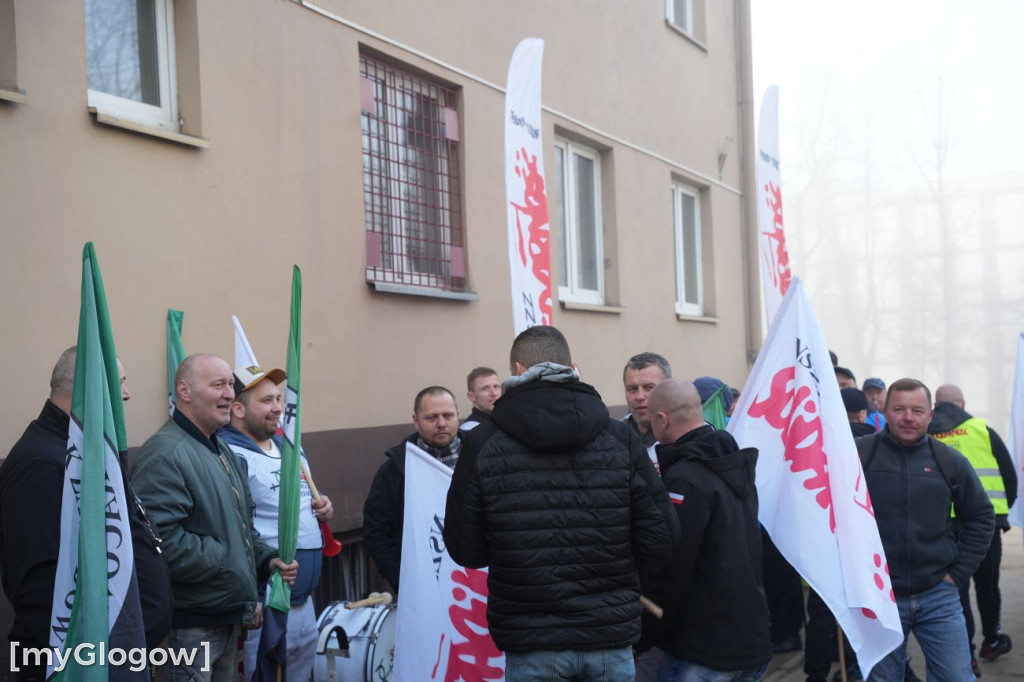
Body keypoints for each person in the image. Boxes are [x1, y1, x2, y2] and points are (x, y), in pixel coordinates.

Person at [444, 325, 678, 682]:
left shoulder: (483, 443)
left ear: (518, 371)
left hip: (533, 639)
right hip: (609, 635)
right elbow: (661, 538)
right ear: (571, 366)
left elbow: (466, 550)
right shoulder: (619, 438)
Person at [0, 347, 172, 681]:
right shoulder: (42, 465)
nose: (127, 394)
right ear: (90, 388)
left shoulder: (78, 450)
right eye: (119, 383)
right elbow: (42, 588)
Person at [132, 353, 297, 682]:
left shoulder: (220, 449)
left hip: (223, 617)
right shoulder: (165, 453)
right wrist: (229, 559)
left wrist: (266, 560)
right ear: (185, 391)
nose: (229, 394)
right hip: (188, 627)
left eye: (231, 386)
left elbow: (241, 526)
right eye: (218, 385)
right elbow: (158, 543)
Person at [856, 378, 995, 681]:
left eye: (917, 410)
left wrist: (957, 574)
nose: (908, 417)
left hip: (938, 595)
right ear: (884, 411)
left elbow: (982, 516)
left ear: (930, 415)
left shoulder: (949, 460)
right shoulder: (858, 456)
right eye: (900, 409)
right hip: (879, 599)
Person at [642, 379, 771, 682]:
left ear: (662, 419)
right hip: (751, 640)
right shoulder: (732, 462)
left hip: (705, 651)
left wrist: (645, 634)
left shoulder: (685, 480)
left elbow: (673, 568)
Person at [218, 365, 334, 682]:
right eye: (266, 400)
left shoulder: (287, 446)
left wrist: (322, 503)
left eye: (278, 398)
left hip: (303, 598)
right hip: (266, 601)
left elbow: (299, 497)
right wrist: (251, 596)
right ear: (238, 409)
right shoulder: (232, 454)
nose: (278, 407)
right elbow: (235, 526)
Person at [928, 384, 1017, 670]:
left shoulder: (925, 434)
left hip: (944, 527)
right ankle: (992, 640)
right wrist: (1001, 513)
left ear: (934, 406)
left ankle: (965, 654)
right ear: (962, 403)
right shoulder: (982, 430)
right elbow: (1009, 475)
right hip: (985, 525)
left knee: (956, 589)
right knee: (988, 586)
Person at [363, 385, 461, 593]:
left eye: (448, 415)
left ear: (458, 416)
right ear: (416, 421)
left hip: (475, 586)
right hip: (422, 590)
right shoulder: (395, 470)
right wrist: (404, 582)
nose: (441, 423)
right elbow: (377, 532)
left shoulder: (481, 458)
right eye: (432, 417)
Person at [622, 352, 672, 450]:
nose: (640, 396)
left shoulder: (692, 435)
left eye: (649, 387)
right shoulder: (613, 438)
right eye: (632, 388)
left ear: (669, 388)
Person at [462, 366, 502, 431]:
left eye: (496, 386)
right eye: (485, 388)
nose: (494, 393)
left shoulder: (507, 421)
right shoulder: (469, 430)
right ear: (471, 396)